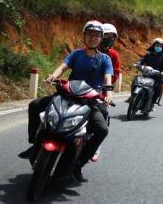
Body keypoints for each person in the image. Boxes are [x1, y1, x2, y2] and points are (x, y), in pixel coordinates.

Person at [19, 20, 114, 182]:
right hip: (68, 94)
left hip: (90, 101)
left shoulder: (105, 59)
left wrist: (108, 92)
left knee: (102, 129)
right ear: (84, 36)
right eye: (90, 34)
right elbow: (63, 66)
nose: (93, 38)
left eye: (97, 35)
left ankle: (79, 163)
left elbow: (107, 77)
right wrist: (54, 76)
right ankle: (34, 142)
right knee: (34, 105)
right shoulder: (76, 54)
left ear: (101, 39)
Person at [138, 37, 163, 110]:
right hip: (146, 74)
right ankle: (133, 96)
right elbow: (141, 61)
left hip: (157, 76)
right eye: (157, 45)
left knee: (158, 88)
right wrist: (138, 64)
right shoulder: (148, 54)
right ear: (154, 45)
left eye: (160, 46)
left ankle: (153, 102)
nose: (159, 47)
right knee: (136, 81)